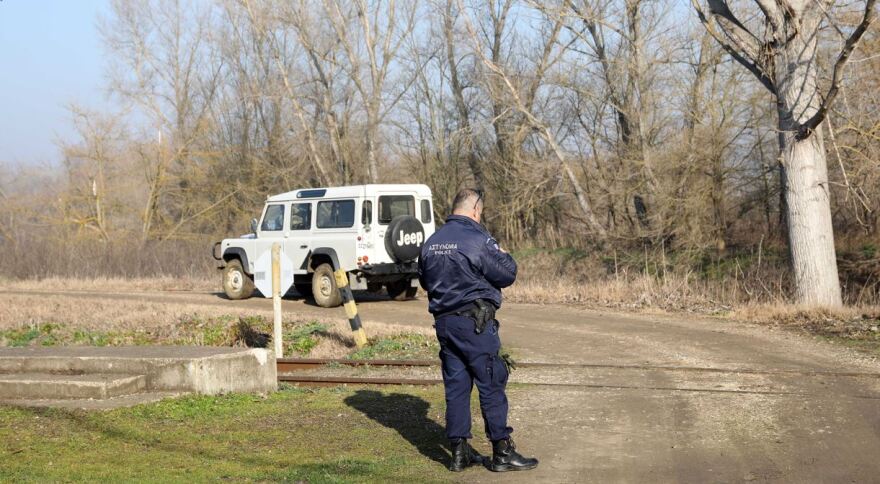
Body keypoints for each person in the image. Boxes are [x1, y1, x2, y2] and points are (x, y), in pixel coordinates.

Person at [418, 188, 538, 473]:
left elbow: (424, 280)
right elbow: (507, 274)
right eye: (480, 212)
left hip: (445, 325)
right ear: (474, 210)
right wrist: (505, 256)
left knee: (456, 386)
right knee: (491, 381)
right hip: (475, 324)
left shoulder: (431, 242)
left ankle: (459, 454)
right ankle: (501, 452)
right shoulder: (477, 239)